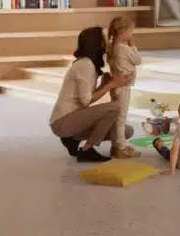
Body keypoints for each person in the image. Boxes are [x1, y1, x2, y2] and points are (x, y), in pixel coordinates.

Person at [48, 27, 132, 162]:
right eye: (105, 39)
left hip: (73, 119)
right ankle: (87, 149)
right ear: (98, 44)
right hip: (63, 122)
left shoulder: (88, 64)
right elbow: (85, 101)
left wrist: (105, 85)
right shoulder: (85, 65)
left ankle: (73, 139)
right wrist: (111, 85)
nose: (109, 42)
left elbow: (84, 98)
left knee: (125, 131)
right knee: (115, 107)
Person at [106, 16, 141, 158]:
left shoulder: (113, 46)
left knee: (117, 117)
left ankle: (116, 146)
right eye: (130, 32)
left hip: (116, 87)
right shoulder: (124, 48)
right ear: (122, 32)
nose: (131, 34)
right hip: (124, 87)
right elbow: (138, 60)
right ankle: (120, 147)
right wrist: (132, 45)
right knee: (121, 118)